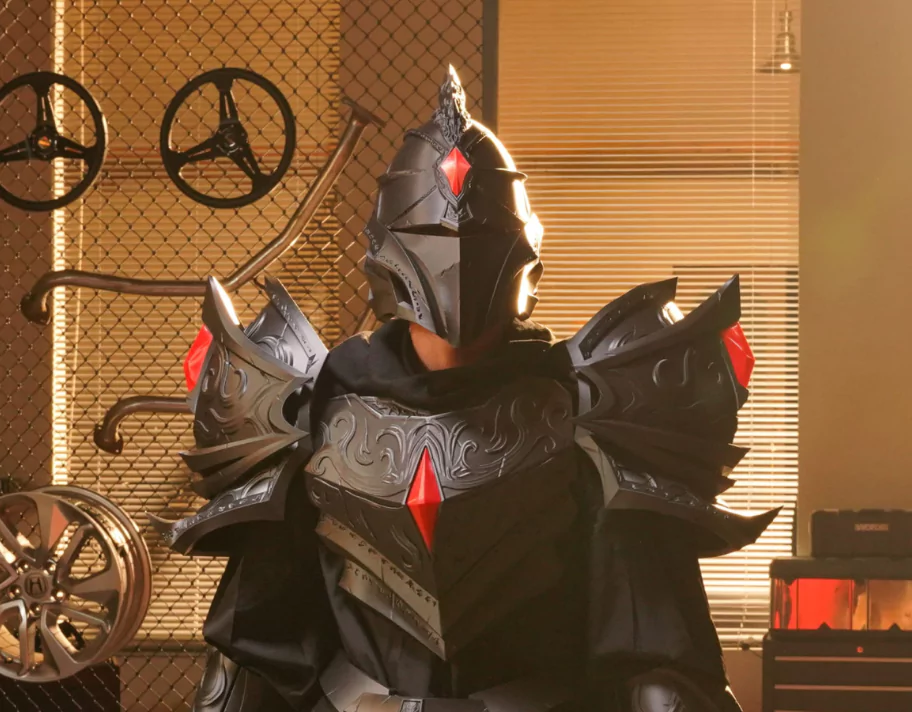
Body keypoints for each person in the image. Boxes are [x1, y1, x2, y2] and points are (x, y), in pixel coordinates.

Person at [153, 66, 776, 712]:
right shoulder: (310, 405)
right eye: (432, 236)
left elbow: (657, 654)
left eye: (479, 239)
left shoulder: (591, 409)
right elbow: (256, 648)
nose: (455, 258)